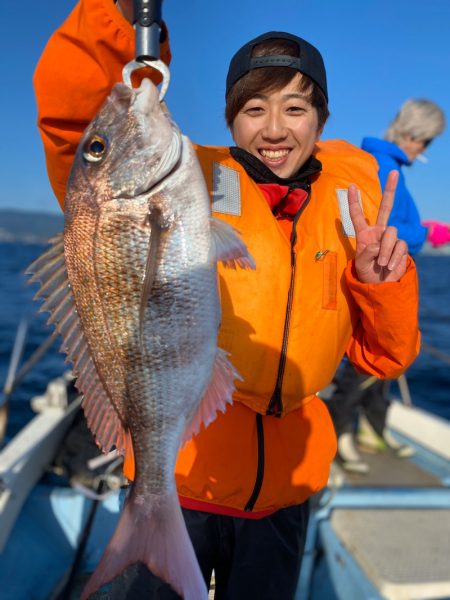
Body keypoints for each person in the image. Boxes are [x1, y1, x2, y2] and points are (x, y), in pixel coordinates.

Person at [33, 1, 420, 598]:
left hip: (284, 499)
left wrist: (380, 284)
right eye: (252, 108)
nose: (273, 128)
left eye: (296, 108)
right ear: (229, 119)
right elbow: (76, 123)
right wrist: (116, 20)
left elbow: (385, 360)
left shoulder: (350, 215)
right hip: (185, 473)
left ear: (321, 118)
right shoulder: (192, 182)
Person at [328, 99, 446, 473]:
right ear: (413, 136)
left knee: (381, 371)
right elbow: (388, 231)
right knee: (361, 370)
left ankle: (372, 428)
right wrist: (429, 231)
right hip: (376, 284)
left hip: (383, 282)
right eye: (426, 143)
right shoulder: (386, 168)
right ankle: (340, 435)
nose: (425, 151)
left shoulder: (381, 161)